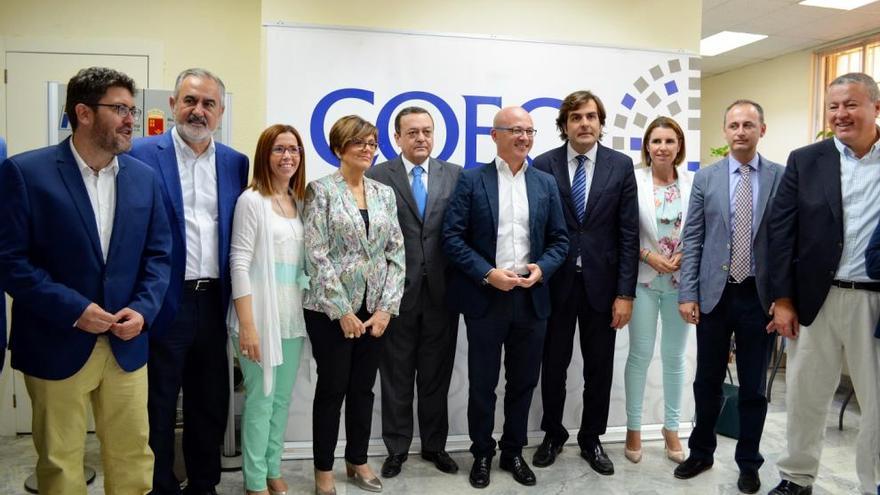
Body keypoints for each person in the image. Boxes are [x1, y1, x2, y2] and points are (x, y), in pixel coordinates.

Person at [0, 66, 172, 494]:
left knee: (133, 458)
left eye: (132, 109)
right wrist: (75, 310)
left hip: (127, 344)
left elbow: (159, 256)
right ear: (84, 113)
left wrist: (145, 310)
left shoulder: (144, 180)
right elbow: (11, 261)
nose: (131, 118)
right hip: (56, 340)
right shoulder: (26, 173)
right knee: (60, 465)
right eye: (119, 108)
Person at [129, 68, 250, 495]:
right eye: (190, 101)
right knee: (158, 402)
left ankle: (204, 483)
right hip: (164, 300)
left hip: (214, 301)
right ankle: (161, 484)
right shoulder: (140, 154)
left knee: (209, 401)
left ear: (220, 111)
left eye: (208, 104)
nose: (198, 111)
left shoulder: (235, 162)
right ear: (174, 104)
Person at [443, 106, 568, 489]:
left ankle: (513, 451)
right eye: (515, 130)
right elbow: (452, 236)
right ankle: (482, 452)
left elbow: (561, 240)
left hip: (531, 299)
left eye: (530, 131)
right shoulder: (471, 180)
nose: (524, 137)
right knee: (482, 383)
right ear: (494, 136)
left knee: (524, 382)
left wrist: (541, 268)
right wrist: (487, 273)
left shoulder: (545, 183)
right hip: (487, 298)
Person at [767, 72, 880, 495]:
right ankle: (796, 477)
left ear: (875, 107)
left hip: (874, 304)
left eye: (850, 104)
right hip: (817, 299)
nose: (840, 114)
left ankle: (875, 482)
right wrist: (781, 298)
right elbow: (781, 233)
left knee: (878, 405)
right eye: (833, 106)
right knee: (805, 397)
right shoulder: (806, 159)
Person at [675, 100, 783, 494]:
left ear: (761, 130)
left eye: (748, 125)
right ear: (725, 131)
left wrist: (784, 298)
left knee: (754, 387)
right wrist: (688, 293)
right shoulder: (706, 179)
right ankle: (701, 452)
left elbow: (787, 243)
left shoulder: (781, 177)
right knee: (707, 381)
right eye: (734, 125)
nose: (740, 131)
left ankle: (749, 462)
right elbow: (694, 238)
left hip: (760, 298)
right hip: (714, 297)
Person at [531, 90, 638, 475]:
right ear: (564, 125)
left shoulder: (620, 166)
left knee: (599, 368)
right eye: (576, 117)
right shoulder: (543, 165)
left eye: (591, 116)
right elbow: (536, 228)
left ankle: (592, 438)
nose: (585, 123)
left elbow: (628, 234)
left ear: (600, 122)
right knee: (553, 364)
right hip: (555, 284)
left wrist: (625, 293)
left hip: (602, 286)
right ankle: (553, 434)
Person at [303, 115, 405, 495]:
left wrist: (385, 309)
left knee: (363, 389)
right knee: (332, 389)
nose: (367, 149)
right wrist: (342, 311)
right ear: (338, 148)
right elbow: (315, 255)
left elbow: (397, 252)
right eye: (358, 142)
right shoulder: (320, 191)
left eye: (372, 142)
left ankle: (357, 460)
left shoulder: (384, 193)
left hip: (375, 309)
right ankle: (324, 470)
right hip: (330, 311)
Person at [365, 107, 462, 478]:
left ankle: (435, 446)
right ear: (397, 138)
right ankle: (396, 448)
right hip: (394, 296)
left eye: (427, 131)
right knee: (396, 375)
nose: (421, 138)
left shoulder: (454, 175)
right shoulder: (377, 176)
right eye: (413, 132)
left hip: (442, 293)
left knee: (436, 376)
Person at [227, 124, 309, 495]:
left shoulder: (297, 201)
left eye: (293, 149)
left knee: (280, 399)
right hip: (258, 317)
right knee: (260, 400)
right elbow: (239, 261)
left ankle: (273, 467)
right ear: (265, 154)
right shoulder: (251, 200)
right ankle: (255, 479)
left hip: (292, 318)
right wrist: (248, 326)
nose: (287, 156)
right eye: (279, 149)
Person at [624, 116, 694, 464]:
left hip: (680, 285)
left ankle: (671, 428)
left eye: (670, 141)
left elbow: (701, 230)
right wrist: (647, 254)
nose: (663, 147)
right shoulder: (633, 181)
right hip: (644, 281)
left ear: (679, 146)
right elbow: (621, 230)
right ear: (647, 147)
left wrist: (683, 255)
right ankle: (633, 428)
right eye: (656, 141)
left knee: (674, 359)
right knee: (639, 356)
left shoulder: (693, 183)